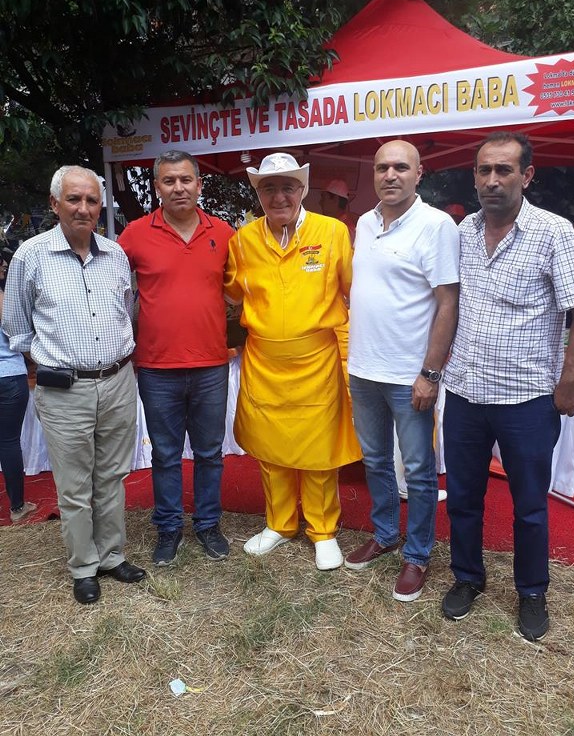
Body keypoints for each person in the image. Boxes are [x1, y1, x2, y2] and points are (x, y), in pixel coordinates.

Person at [440, 131, 574, 641]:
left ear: (527, 175)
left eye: (504, 170)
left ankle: (532, 591)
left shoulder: (554, 232)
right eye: (484, 170)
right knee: (463, 496)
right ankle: (467, 577)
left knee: (530, 505)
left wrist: (570, 380)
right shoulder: (463, 231)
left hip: (528, 398)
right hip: (465, 392)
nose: (492, 180)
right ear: (474, 176)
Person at [2, 166, 145, 604]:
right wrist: (55, 361)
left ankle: (112, 556)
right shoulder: (30, 256)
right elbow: (16, 327)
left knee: (112, 476)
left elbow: (128, 312)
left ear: (101, 207)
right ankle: (84, 566)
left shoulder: (115, 254)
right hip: (64, 390)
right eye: (74, 199)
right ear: (55, 204)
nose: (84, 208)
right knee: (75, 485)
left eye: (92, 200)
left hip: (118, 382)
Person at [225, 152, 362, 570]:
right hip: (264, 360)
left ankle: (323, 530)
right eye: (269, 188)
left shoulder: (332, 232)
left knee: (319, 450)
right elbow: (230, 295)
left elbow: (355, 292)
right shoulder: (243, 240)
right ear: (258, 194)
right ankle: (279, 523)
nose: (279, 196)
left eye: (288, 187)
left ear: (302, 189)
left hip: (316, 360)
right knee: (271, 448)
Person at [344, 140, 460, 602]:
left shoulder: (436, 225)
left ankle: (417, 554)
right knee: (374, 461)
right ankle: (386, 533)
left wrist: (430, 373)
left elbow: (447, 302)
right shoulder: (365, 223)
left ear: (419, 173)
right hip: (363, 369)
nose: (390, 175)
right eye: (381, 167)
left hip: (409, 374)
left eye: (400, 167)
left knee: (418, 469)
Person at [118, 150, 233, 566]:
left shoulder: (224, 232)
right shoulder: (134, 235)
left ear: (199, 184)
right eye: (169, 181)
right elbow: (112, 288)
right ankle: (168, 529)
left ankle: (208, 525)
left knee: (209, 452)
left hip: (211, 364)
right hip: (156, 367)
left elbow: (241, 291)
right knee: (165, 455)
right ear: (157, 187)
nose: (178, 188)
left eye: (186, 180)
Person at [0, 249, 37, 523]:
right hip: (9, 375)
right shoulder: (2, 297)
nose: (4, 264)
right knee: (9, 440)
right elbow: (17, 334)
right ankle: (17, 507)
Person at [320, 179, 359, 243]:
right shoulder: (336, 225)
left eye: (324, 198)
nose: (320, 202)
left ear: (335, 199)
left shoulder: (347, 230)